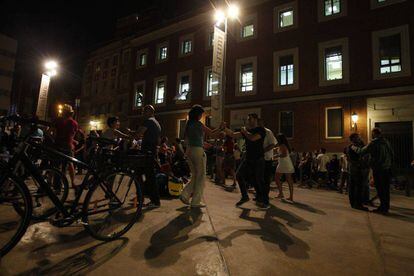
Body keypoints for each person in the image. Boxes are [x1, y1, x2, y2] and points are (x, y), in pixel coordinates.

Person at [179, 105, 222, 208]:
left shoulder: (188, 124)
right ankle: (195, 201)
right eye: (201, 114)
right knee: (201, 176)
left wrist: (201, 143)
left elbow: (187, 139)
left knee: (195, 175)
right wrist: (221, 128)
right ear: (198, 114)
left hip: (189, 150)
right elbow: (212, 133)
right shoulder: (198, 124)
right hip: (198, 151)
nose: (201, 116)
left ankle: (185, 195)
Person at [224, 113, 268, 209]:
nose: (248, 121)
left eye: (250, 119)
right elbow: (233, 135)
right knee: (239, 175)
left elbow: (252, 138)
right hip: (248, 158)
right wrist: (225, 128)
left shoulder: (261, 130)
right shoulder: (247, 131)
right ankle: (244, 196)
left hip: (258, 159)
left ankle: (265, 201)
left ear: (256, 119)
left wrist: (244, 131)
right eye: (248, 119)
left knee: (259, 180)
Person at [352, 128, 394, 214]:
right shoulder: (386, 142)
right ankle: (385, 207)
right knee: (386, 189)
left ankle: (382, 208)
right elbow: (392, 154)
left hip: (378, 169)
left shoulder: (374, 143)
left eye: (372, 133)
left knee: (380, 188)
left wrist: (353, 147)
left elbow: (361, 151)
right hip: (387, 168)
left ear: (374, 134)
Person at [136, 105, 162, 209]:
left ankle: (147, 199)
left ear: (150, 111)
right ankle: (150, 199)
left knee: (140, 175)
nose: (143, 113)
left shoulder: (149, 121)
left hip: (147, 152)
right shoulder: (156, 122)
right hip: (152, 152)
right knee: (149, 176)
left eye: (144, 111)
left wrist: (130, 134)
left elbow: (138, 134)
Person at [54, 104, 78, 189]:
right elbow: (72, 135)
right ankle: (73, 182)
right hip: (68, 146)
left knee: (57, 165)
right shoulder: (74, 123)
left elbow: (53, 132)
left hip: (58, 145)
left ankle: (57, 185)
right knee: (69, 164)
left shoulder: (58, 120)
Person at [347, 133, 370, 211]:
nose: (360, 138)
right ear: (354, 139)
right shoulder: (353, 147)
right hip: (357, 169)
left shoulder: (352, 147)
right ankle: (357, 204)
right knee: (358, 186)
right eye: (358, 137)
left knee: (354, 186)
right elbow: (360, 155)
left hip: (354, 169)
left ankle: (354, 203)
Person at [258, 119, 277, 198]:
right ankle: (259, 194)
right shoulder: (256, 132)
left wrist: (262, 151)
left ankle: (265, 195)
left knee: (265, 178)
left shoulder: (268, 132)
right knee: (258, 177)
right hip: (258, 158)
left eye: (259, 123)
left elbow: (272, 145)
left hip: (267, 158)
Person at [275, 133, 295, 201]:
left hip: (284, 163)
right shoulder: (283, 145)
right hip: (283, 163)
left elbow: (284, 155)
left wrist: (277, 156)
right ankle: (285, 194)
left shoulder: (283, 145)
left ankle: (283, 194)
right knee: (286, 179)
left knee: (280, 178)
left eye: (277, 138)